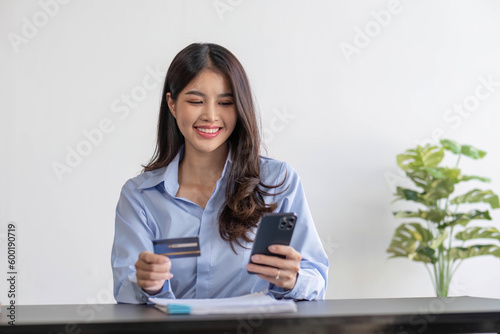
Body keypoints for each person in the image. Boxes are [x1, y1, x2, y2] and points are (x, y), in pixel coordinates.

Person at [111, 43, 328, 304]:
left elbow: (316, 280)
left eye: (225, 102)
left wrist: (292, 280)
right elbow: (125, 288)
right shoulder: (140, 197)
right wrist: (149, 285)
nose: (211, 116)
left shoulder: (277, 183)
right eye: (195, 101)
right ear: (172, 104)